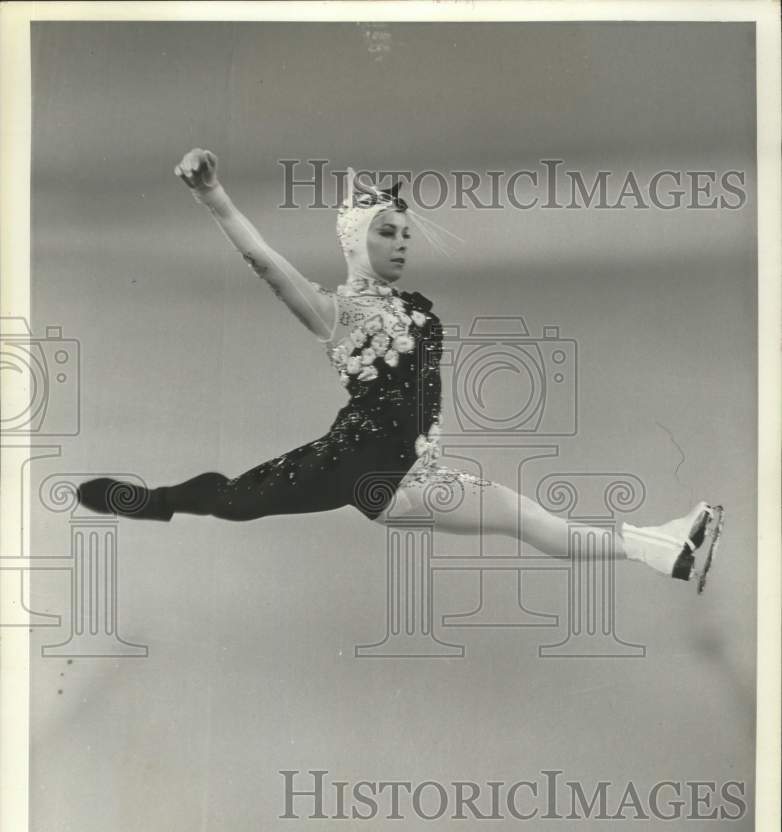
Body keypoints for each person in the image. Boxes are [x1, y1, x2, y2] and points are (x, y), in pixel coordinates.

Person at [77, 149, 724, 592]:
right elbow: (266, 261)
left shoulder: (409, 308)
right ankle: (150, 501)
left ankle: (662, 548)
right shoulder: (335, 313)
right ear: (356, 240)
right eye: (389, 232)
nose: (404, 241)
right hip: (363, 470)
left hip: (412, 470)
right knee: (235, 500)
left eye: (407, 232)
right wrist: (212, 195)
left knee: (530, 522)